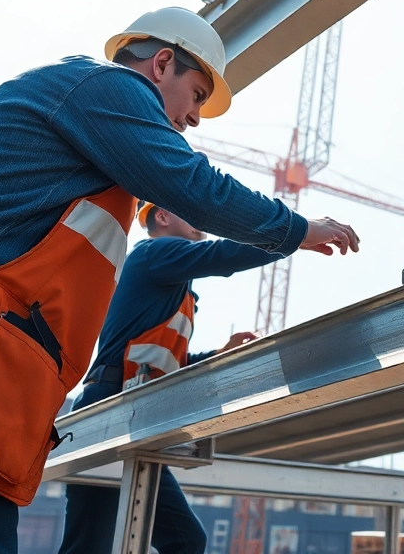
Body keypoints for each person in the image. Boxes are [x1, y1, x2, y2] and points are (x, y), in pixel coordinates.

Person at [0, 7, 359, 554]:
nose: (191, 120)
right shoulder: (112, 89)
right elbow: (192, 184)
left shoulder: (67, 107)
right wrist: (297, 228)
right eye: (194, 95)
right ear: (162, 64)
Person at [58, 203, 283, 554]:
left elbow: (167, 361)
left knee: (182, 540)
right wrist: (289, 236)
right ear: (162, 217)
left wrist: (217, 355)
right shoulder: (153, 254)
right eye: (191, 211)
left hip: (138, 411)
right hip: (112, 405)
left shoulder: (171, 281)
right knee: (93, 544)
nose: (203, 218)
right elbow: (220, 255)